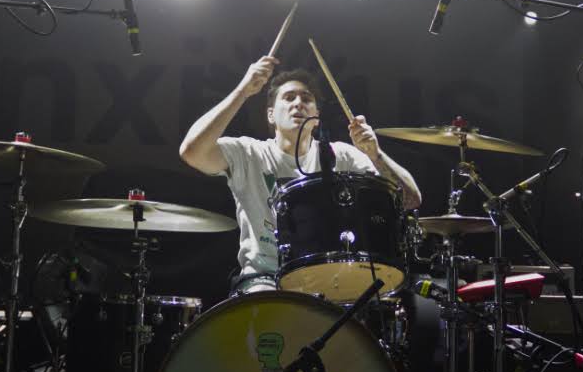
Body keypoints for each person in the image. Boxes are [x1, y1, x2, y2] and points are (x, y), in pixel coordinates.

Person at [179, 55, 422, 294]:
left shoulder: (342, 155)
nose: (298, 103)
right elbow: (192, 152)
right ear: (271, 115)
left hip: (331, 277)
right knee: (268, 303)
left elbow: (410, 200)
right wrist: (243, 91)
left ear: (316, 118)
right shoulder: (248, 153)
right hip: (264, 279)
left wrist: (375, 154)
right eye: (288, 97)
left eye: (306, 99)